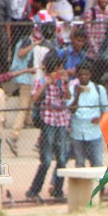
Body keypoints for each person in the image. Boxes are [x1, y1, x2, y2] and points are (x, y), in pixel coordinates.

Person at [27, 53, 72, 203]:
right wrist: (47, 83)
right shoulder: (41, 81)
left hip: (61, 120)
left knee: (62, 158)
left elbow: (67, 97)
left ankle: (58, 190)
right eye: (58, 69)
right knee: (46, 159)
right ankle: (33, 190)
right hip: (48, 120)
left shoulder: (61, 82)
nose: (60, 71)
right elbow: (33, 98)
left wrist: (65, 83)